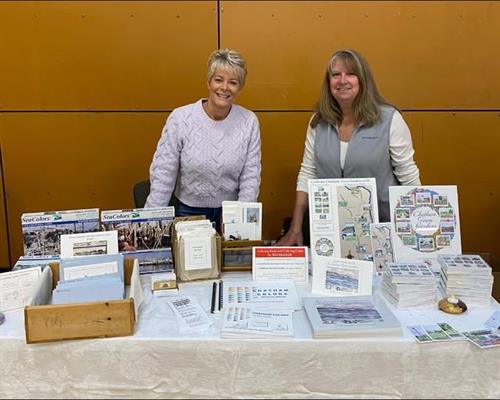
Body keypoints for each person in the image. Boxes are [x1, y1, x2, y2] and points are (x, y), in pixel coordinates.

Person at [278, 49, 420, 246]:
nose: (342, 80)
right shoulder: (318, 123)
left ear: (363, 80)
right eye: (336, 75)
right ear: (329, 83)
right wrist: (295, 227)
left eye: (350, 74)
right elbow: (307, 174)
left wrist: (420, 233)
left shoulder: (390, 120)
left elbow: (409, 178)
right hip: (330, 233)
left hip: (382, 234)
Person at [145, 49, 261, 232]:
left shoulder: (249, 121)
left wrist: (241, 226)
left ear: (240, 88)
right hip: (188, 212)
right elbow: (163, 175)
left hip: (231, 214)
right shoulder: (181, 118)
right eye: (218, 80)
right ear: (208, 82)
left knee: (231, 261)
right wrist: (148, 225)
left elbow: (250, 179)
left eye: (233, 82)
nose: (224, 87)